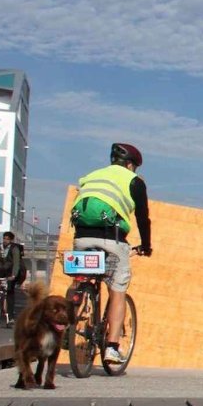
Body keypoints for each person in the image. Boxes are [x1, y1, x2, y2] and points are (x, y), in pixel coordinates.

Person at [70, 143, 152, 365]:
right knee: (117, 290)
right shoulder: (133, 181)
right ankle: (112, 347)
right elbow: (143, 218)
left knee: (79, 281)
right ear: (129, 165)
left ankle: (66, 328)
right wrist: (146, 245)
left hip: (82, 237)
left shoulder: (92, 176)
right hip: (111, 240)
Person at [0, 230, 27, 324]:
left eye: (7, 239)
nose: (5, 240)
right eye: (4, 238)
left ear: (11, 240)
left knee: (10, 292)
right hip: (0, 269)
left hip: (10, 270)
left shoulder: (14, 249)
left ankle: (10, 317)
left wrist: (14, 275)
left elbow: (16, 263)